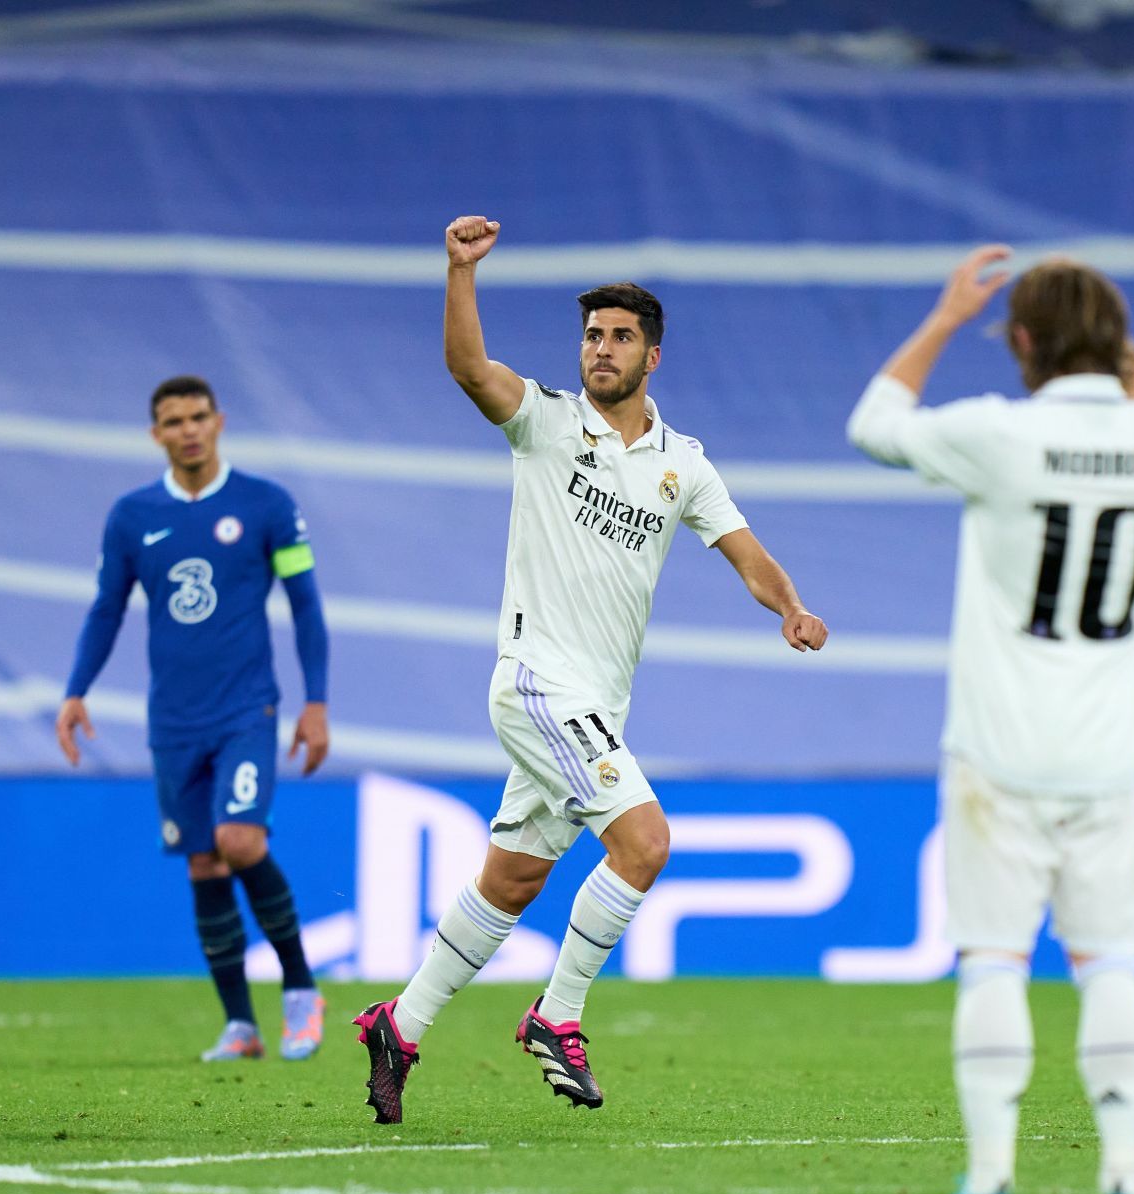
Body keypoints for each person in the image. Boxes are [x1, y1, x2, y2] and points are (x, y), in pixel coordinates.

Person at [352, 216, 829, 1124]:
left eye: (618, 337)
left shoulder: (680, 464)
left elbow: (746, 553)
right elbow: (467, 369)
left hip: (594, 705)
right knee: (646, 843)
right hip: (536, 683)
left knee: (514, 880)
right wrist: (460, 274)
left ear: (653, 357)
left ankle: (399, 1023)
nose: (599, 349)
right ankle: (557, 1015)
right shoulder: (545, 422)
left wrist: (790, 606)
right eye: (591, 335)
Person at [847, 247, 1134, 1194]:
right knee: (1111, 963)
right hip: (1107, 754)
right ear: (1118, 343)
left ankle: (991, 1177)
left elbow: (873, 423)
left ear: (1022, 341)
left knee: (996, 960)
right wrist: (1102, 328)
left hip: (997, 753)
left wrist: (950, 314)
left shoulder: (998, 435)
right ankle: (1125, 1177)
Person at [57, 376, 331, 1062]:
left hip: (247, 708)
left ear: (219, 421)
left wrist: (316, 703)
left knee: (239, 840)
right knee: (203, 862)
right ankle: (240, 1025)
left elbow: (305, 606)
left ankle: (301, 987)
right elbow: (106, 607)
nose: (188, 429)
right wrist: (76, 690)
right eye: (173, 420)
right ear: (156, 434)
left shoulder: (266, 505)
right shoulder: (132, 515)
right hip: (174, 719)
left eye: (198, 416)